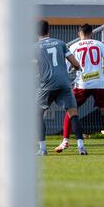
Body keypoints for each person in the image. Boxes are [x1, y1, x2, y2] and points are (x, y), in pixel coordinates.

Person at [55, 23, 104, 154]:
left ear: (79, 33)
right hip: (99, 84)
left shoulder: (74, 46)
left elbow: (66, 68)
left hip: (81, 84)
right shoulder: (98, 44)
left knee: (71, 111)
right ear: (92, 33)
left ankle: (65, 141)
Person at [35, 20, 87, 156]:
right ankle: (81, 147)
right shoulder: (60, 43)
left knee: (37, 115)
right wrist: (76, 69)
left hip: (47, 84)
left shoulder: (34, 47)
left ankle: (42, 149)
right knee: (73, 114)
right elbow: (76, 64)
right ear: (49, 30)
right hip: (64, 83)